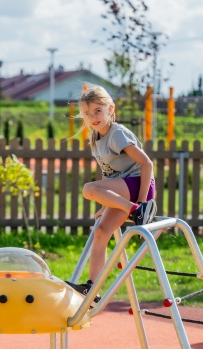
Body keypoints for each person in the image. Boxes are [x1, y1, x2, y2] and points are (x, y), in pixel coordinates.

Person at [66, 84, 157, 301]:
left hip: (138, 186)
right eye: (87, 113)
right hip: (124, 191)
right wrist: (106, 206)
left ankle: (136, 211)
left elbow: (147, 164)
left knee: (88, 189)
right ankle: (92, 288)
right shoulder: (95, 139)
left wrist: (141, 204)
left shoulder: (117, 134)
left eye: (98, 111)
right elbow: (108, 175)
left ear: (111, 109)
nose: (93, 117)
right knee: (100, 232)